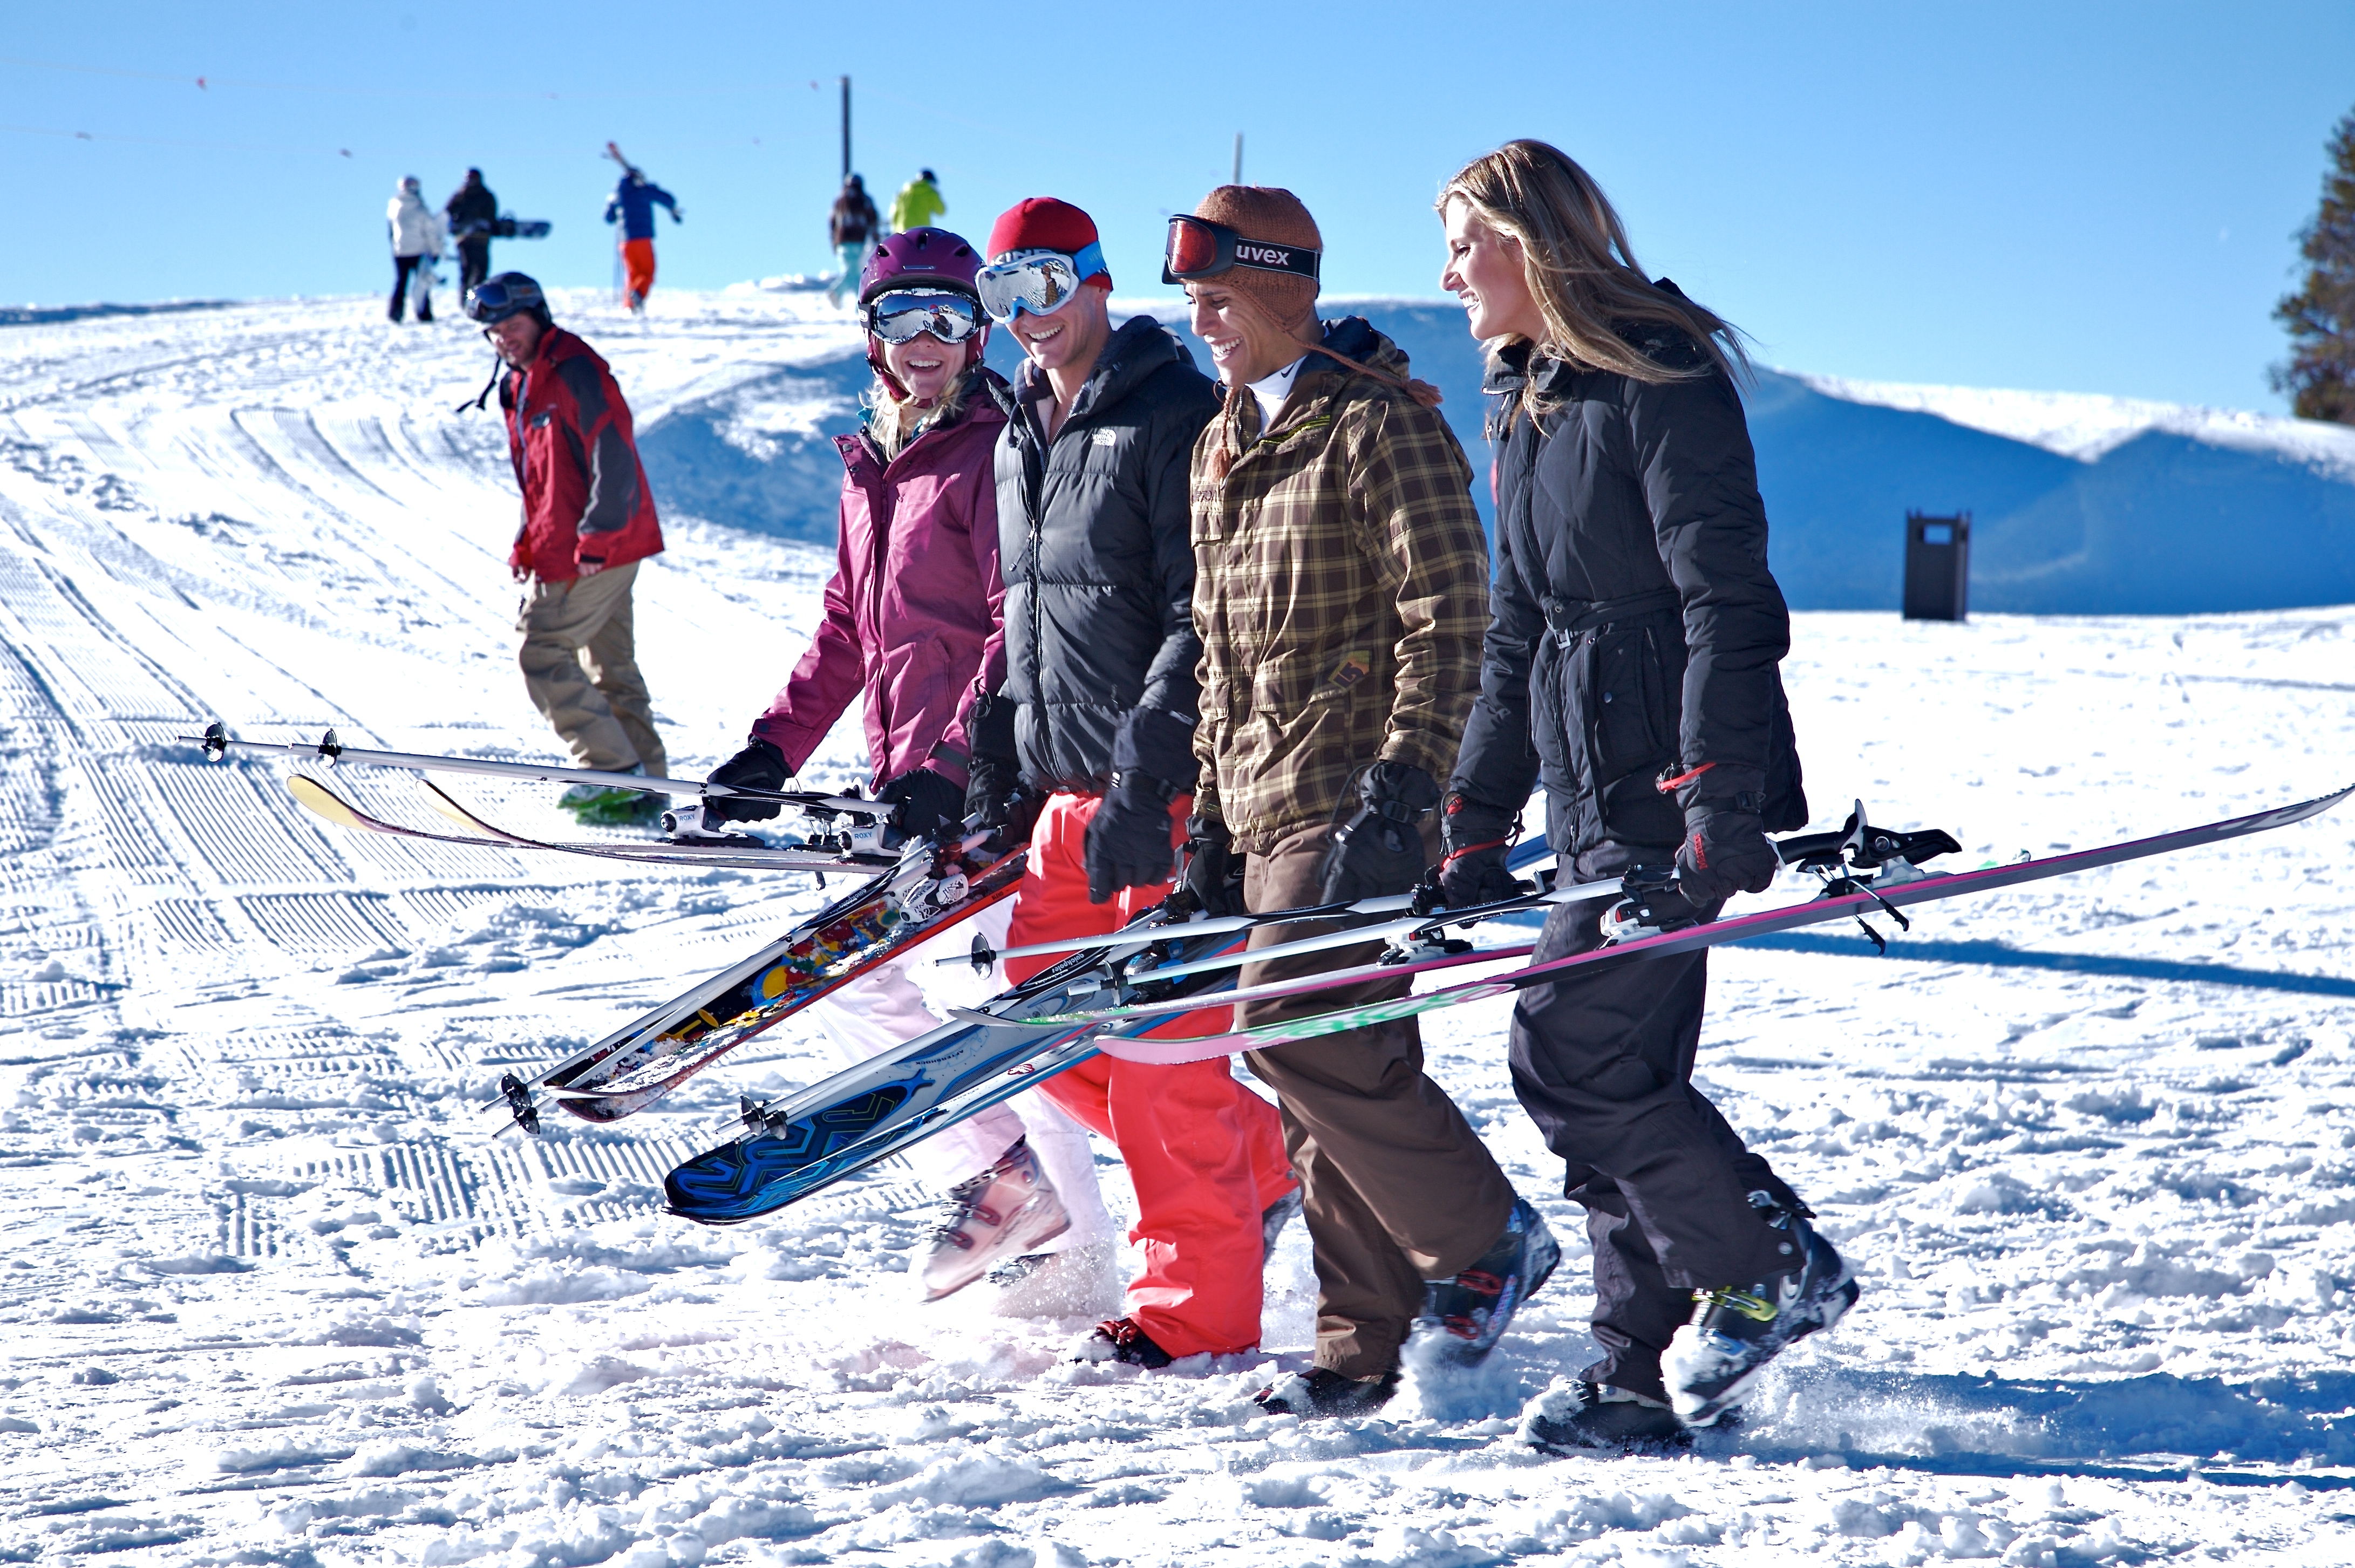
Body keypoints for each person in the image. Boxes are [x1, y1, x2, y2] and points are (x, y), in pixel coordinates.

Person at [1434, 139, 1854, 1446]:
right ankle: (1629, 1369)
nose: (1447, 271)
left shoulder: (1656, 373)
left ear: (1529, 242)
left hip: (1664, 788)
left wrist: (1718, 795)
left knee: (1566, 1050)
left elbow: (1723, 593)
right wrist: (1473, 812)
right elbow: (1521, 631)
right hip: (1583, 794)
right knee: (1614, 1070)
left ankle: (1771, 1263)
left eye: (1464, 241)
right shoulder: (1525, 394)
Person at [1169, 185, 1557, 1419]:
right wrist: (1205, 823)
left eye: (1220, 297)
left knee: (1296, 1033)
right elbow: (1219, 653)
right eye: (1192, 300)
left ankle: (1488, 1238)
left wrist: (1408, 783)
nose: (1202, 322)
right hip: (1258, 796)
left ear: (1285, 291)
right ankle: (1355, 1348)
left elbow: (1453, 617)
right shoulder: (1219, 440)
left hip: (1351, 794)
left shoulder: (1378, 428)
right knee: (1334, 1068)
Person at [696, 229, 1118, 1311]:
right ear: (870, 333)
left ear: (976, 328)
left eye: (943, 317)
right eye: (898, 318)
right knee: (856, 977)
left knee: (1012, 1007)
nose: (922, 340)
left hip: (991, 777)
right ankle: (1005, 1178)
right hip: (912, 784)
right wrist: (771, 748)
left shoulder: (991, 449)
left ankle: (1085, 1257)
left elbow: (1008, 627)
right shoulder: (872, 463)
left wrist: (946, 765)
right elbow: (848, 630)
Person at [966, 196, 1301, 1369]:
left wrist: (1141, 773)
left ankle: (1192, 1316)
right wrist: (994, 755)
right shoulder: (1019, 431)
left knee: (1160, 1061)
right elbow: (1025, 620)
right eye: (1002, 296)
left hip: (1157, 786)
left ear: (1100, 282)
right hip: (1067, 793)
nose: (1028, 318)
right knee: (1039, 1018)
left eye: (1047, 286)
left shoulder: (1170, 412)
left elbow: (1194, 616)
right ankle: (1265, 1162)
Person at [465, 272, 669, 825]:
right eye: (493, 332)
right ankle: (645, 782)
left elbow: (612, 445)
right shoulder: (524, 382)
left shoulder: (571, 367)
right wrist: (527, 540)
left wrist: (599, 530)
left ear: (539, 316)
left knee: (542, 648)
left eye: (511, 325)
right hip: (581, 540)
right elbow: (544, 477)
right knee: (609, 663)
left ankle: (611, 772)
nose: (503, 338)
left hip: (596, 542)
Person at [604, 168, 681, 313]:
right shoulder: (643, 191)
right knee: (647, 272)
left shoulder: (618, 195)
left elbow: (609, 218)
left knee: (633, 274)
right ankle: (638, 295)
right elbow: (668, 200)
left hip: (624, 242)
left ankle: (629, 306)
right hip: (642, 238)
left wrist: (612, 203)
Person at [386, 176, 444, 324]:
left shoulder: (394, 206)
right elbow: (430, 232)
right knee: (422, 283)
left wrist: (395, 246)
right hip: (419, 252)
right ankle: (424, 314)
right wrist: (435, 251)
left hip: (400, 251)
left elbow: (390, 230)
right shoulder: (420, 208)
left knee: (401, 282)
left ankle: (396, 313)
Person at [826, 174, 880, 307]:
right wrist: (874, 234)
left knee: (853, 273)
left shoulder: (839, 200)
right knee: (853, 273)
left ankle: (859, 304)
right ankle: (841, 295)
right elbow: (873, 218)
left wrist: (833, 240)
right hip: (858, 240)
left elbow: (832, 221)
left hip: (842, 240)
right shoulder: (864, 199)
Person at [446, 167, 499, 300]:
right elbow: (447, 215)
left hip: (479, 239)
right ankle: (469, 300)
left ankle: (474, 299)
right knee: (470, 271)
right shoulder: (460, 196)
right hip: (466, 239)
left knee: (477, 272)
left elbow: (491, 218)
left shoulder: (485, 196)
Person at [888, 169, 945, 235]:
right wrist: (937, 194)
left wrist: (895, 231)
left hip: (903, 232)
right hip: (922, 231)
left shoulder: (903, 192)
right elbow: (941, 211)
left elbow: (894, 214)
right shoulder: (930, 192)